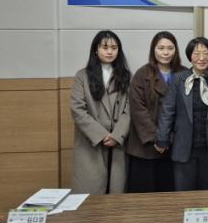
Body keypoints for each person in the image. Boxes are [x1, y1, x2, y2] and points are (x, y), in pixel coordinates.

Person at [156, 37, 208, 191]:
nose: (201, 58)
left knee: (207, 194)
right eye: (196, 53)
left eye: (206, 53)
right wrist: (162, 138)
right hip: (184, 145)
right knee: (184, 194)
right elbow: (168, 110)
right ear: (189, 56)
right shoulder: (178, 79)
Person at [70, 30, 131, 194]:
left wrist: (116, 135)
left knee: (116, 190)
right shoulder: (82, 76)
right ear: (95, 50)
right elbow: (77, 109)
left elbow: (129, 109)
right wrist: (102, 135)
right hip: (91, 142)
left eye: (114, 48)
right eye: (105, 47)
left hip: (117, 141)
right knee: (91, 192)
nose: (110, 51)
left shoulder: (126, 76)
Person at [127, 31, 186, 193]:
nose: (165, 52)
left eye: (170, 48)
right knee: (144, 195)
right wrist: (158, 139)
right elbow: (138, 110)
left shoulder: (184, 73)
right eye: (161, 48)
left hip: (174, 144)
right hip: (146, 146)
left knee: (169, 194)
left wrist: (168, 138)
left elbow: (186, 112)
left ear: (176, 50)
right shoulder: (142, 74)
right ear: (153, 50)